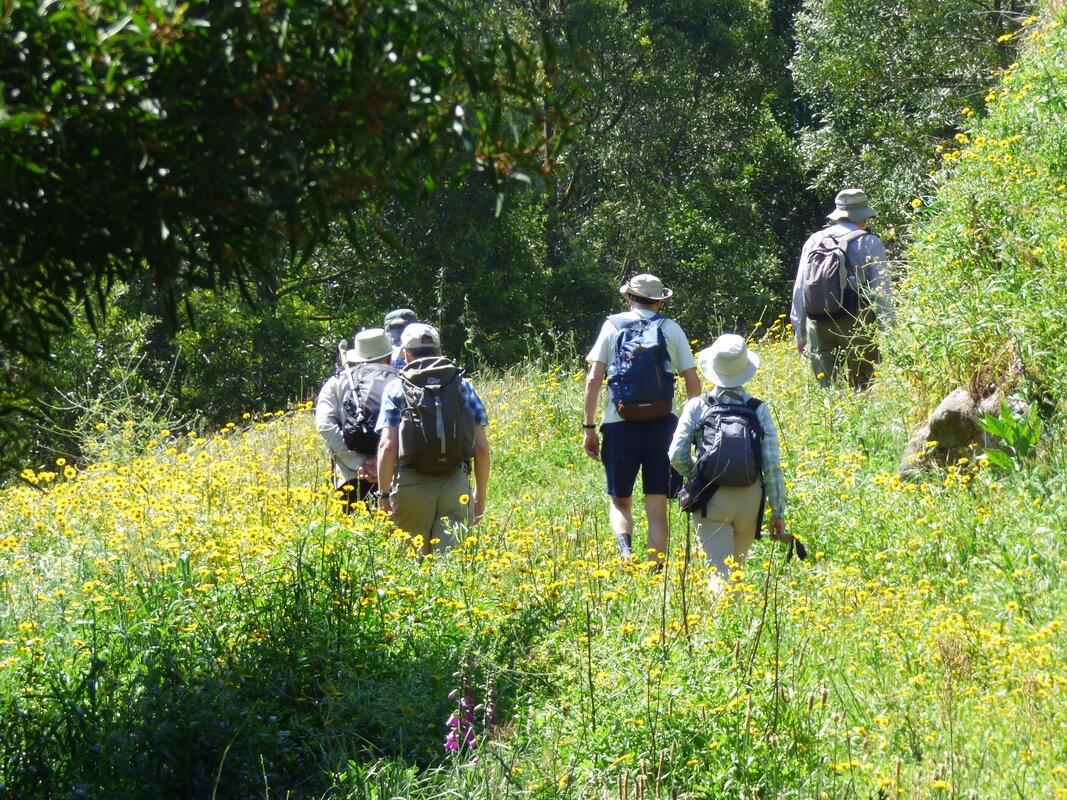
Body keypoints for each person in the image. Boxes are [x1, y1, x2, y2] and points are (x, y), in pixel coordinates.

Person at [583, 273, 701, 564]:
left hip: (619, 424)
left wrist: (589, 428)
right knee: (657, 508)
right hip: (664, 425)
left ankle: (626, 551)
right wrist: (690, 426)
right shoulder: (671, 328)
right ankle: (656, 569)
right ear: (659, 302)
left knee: (620, 501)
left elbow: (593, 380)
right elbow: (692, 380)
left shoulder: (612, 326)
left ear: (629, 298)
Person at [668, 334, 789, 592]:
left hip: (711, 499)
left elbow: (676, 454)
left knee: (719, 576)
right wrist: (777, 511)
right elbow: (771, 465)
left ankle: (721, 618)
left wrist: (700, 471)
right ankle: (737, 617)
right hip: (750, 499)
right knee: (736, 574)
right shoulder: (759, 409)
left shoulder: (697, 406)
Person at [376, 323, 491, 555]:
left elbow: (388, 446)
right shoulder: (463, 386)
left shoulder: (396, 388)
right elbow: (481, 449)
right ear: (439, 352)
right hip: (455, 482)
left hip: (411, 484)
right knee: (450, 563)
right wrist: (480, 495)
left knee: (412, 562)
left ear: (407, 355)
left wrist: (384, 495)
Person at [790, 188, 893, 391]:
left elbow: (800, 288)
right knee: (863, 387)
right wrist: (888, 332)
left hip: (818, 322)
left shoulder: (814, 240)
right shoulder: (870, 242)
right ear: (863, 216)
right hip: (856, 321)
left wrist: (800, 334)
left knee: (828, 390)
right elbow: (881, 290)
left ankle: (831, 412)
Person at [315, 328, 397, 511]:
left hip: (350, 479)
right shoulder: (401, 381)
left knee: (353, 526)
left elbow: (325, 426)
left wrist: (359, 464)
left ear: (358, 356)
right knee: (395, 528)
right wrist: (383, 464)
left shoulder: (335, 383)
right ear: (389, 357)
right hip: (394, 477)